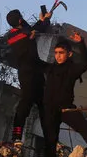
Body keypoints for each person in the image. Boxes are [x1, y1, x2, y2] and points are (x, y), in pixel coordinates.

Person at [41, 32, 87, 157]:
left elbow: (86, 63)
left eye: (61, 53)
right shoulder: (50, 68)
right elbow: (34, 62)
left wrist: (81, 43)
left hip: (66, 109)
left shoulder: (72, 69)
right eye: (56, 53)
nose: (58, 56)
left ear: (69, 54)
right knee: (50, 140)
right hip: (50, 110)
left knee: (85, 127)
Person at [5, 8, 52, 145]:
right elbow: (32, 31)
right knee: (25, 104)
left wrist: (43, 19)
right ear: (19, 20)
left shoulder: (19, 31)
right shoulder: (17, 35)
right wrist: (43, 21)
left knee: (44, 106)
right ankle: (16, 137)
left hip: (36, 72)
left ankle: (49, 137)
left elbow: (34, 28)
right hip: (28, 75)